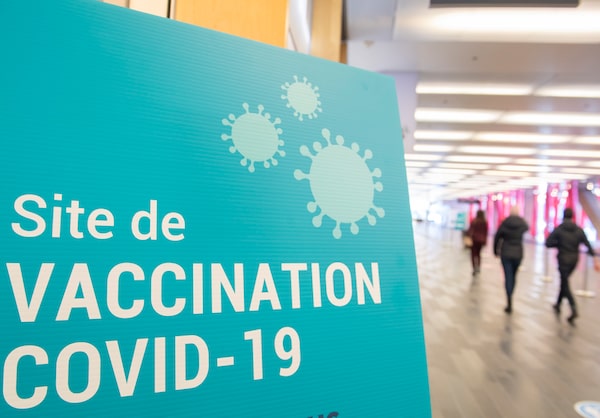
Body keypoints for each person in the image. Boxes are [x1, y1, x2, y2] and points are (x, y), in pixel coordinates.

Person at [545, 208, 600, 326]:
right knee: (564, 281)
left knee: (565, 283)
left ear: (563, 216)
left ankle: (573, 308)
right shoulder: (578, 230)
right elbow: (587, 244)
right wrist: (594, 257)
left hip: (563, 259)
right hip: (574, 260)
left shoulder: (559, 229)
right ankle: (558, 304)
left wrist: (559, 244)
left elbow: (548, 243)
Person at [493, 206, 529, 314]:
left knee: (508, 275)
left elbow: (497, 237)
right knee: (513, 275)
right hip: (518, 253)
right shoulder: (522, 223)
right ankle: (511, 292)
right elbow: (527, 228)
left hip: (506, 253)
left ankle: (509, 298)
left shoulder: (505, 223)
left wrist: (496, 250)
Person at [467, 209, 488, 275]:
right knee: (478, 254)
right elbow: (485, 232)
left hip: (474, 240)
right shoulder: (484, 222)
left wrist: (468, 236)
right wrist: (485, 240)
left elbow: (470, 230)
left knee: (473, 254)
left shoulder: (474, 221)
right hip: (481, 240)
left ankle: (474, 267)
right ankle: (478, 266)